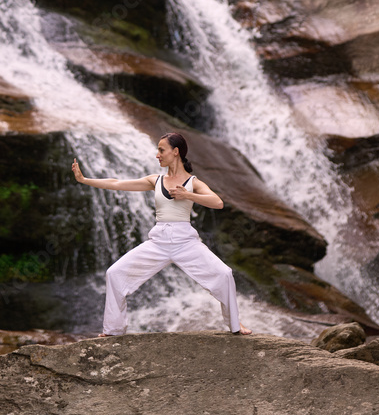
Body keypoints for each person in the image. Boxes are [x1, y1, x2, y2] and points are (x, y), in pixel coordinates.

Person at [71, 131, 251, 336]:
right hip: (158, 242)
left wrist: (187, 194)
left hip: (185, 242)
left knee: (224, 274)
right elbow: (116, 183)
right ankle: (113, 329)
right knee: (115, 273)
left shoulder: (194, 182)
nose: (157, 155)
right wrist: (84, 179)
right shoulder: (154, 180)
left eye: (161, 150)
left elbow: (217, 203)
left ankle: (236, 325)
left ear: (175, 152)